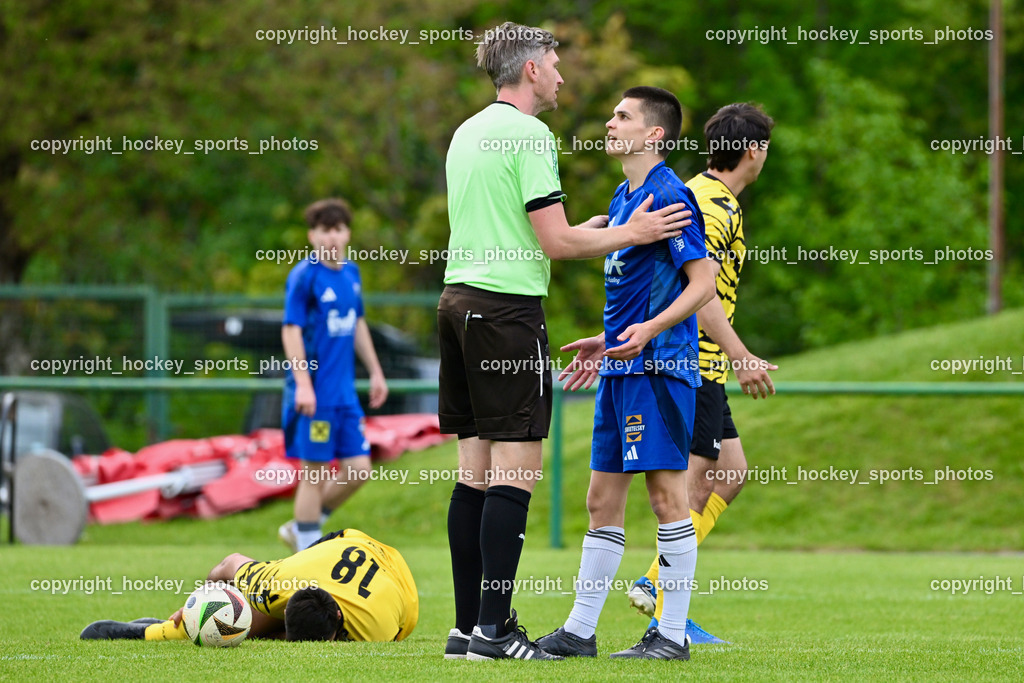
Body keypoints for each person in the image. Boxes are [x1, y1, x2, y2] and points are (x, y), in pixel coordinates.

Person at [439, 23, 697, 662]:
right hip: (506, 311)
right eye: (554, 63)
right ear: (530, 70)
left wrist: (598, 236)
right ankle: (495, 633)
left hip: (456, 303)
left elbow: (514, 229)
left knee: (473, 475)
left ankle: (467, 628)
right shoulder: (531, 134)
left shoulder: (467, 131)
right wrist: (630, 234)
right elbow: (555, 244)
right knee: (515, 474)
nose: (560, 75)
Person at [535, 86, 716, 661]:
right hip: (621, 367)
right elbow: (628, 276)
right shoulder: (623, 196)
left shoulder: (672, 196)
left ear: (655, 134)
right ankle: (580, 633)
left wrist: (649, 331)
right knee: (599, 500)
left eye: (622, 116)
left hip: (659, 369)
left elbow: (702, 284)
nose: (610, 123)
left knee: (667, 498)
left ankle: (670, 635)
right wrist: (607, 338)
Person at [625, 102, 776, 636]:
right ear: (753, 150)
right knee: (692, 489)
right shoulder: (713, 203)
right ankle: (663, 603)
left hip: (700, 362)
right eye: (766, 148)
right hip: (695, 362)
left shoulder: (713, 196)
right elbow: (699, 287)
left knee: (731, 472)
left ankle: (660, 590)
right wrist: (741, 355)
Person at [276, 198, 388, 553]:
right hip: (316, 398)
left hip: (344, 397)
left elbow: (357, 323)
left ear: (347, 233)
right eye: (324, 230)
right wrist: (304, 386)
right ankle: (306, 554)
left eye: (338, 229)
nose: (332, 237)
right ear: (312, 235)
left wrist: (375, 371)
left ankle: (305, 526)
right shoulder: (304, 276)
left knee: (359, 468)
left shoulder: (352, 274)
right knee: (315, 472)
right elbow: (291, 330)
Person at [80, 528, 418, 642]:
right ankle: (145, 631)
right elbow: (229, 563)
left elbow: (403, 624)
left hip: (399, 577)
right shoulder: (276, 584)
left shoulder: (377, 630)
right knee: (232, 617)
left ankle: (151, 630)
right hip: (340, 543)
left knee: (256, 631)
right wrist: (194, 605)